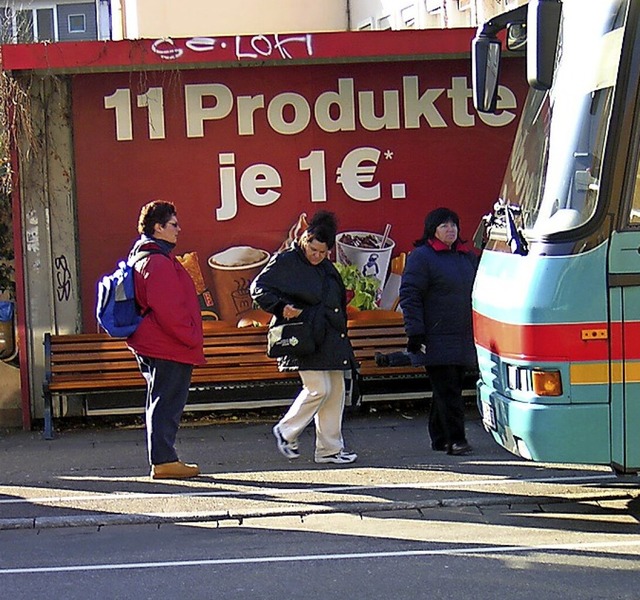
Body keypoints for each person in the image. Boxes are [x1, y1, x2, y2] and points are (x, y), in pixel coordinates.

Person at [250, 211, 358, 464]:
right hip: (303, 335)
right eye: (313, 249)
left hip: (329, 336)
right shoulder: (287, 260)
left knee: (335, 391)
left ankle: (329, 449)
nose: (316, 256)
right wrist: (279, 307)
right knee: (318, 389)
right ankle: (286, 430)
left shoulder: (326, 267)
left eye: (322, 252)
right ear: (305, 239)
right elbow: (258, 287)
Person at [126, 200, 205, 479]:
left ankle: (164, 459)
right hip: (168, 345)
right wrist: (191, 335)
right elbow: (170, 309)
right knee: (166, 403)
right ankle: (164, 461)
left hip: (156, 342)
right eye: (173, 224)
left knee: (160, 400)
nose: (178, 229)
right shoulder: (156, 262)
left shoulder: (146, 257)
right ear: (157, 227)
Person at [399, 207, 478, 456]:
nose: (450, 229)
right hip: (435, 338)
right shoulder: (422, 257)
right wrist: (415, 333)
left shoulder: (466, 257)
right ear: (432, 230)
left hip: (463, 336)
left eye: (453, 224)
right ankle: (456, 440)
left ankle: (439, 438)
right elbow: (410, 295)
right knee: (449, 390)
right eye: (444, 225)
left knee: (447, 389)